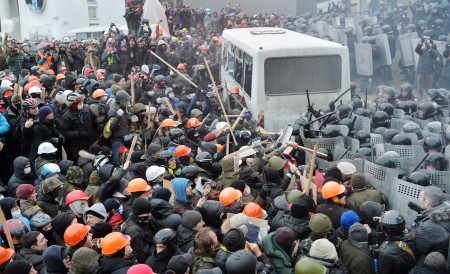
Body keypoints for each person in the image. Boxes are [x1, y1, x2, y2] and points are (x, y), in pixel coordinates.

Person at [408, 186, 450, 261]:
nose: (419, 199)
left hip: (438, 260)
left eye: (420, 197)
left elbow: (414, 246)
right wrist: (422, 211)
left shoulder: (426, 227)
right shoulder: (447, 206)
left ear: (427, 202)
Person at [122, 197, 154, 263]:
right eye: (148, 213)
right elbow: (142, 256)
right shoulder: (135, 232)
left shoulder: (139, 221)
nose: (150, 215)